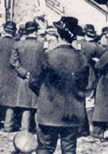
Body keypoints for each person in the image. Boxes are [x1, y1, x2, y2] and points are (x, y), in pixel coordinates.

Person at [29, 16, 89, 154]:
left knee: (45, 148)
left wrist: (44, 94)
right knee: (69, 149)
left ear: (58, 35)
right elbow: (83, 84)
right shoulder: (82, 58)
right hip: (73, 111)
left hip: (49, 110)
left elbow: (33, 81)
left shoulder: (48, 56)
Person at [10, 20, 45, 133]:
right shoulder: (41, 45)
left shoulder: (19, 44)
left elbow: (13, 61)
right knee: (36, 105)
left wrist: (23, 72)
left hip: (23, 78)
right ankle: (39, 129)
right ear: (35, 31)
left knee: (25, 105)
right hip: (38, 78)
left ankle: (24, 129)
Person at [0, 21, 20, 132]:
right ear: (14, 31)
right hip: (11, 75)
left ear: (4, 30)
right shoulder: (17, 43)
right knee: (10, 101)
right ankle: (8, 125)